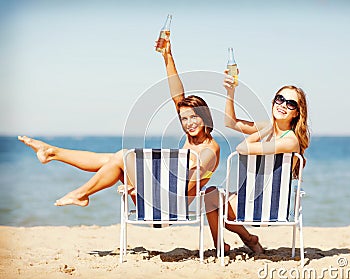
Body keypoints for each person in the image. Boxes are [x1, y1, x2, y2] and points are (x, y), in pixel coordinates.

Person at [17, 38, 220, 209]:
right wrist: (167, 56)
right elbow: (178, 97)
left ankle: (79, 192)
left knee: (123, 156)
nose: (189, 123)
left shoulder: (209, 150)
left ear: (205, 116)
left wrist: (141, 185)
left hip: (167, 208)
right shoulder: (192, 138)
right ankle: (53, 153)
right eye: (184, 119)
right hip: (155, 197)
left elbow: (186, 189)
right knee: (113, 160)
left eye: (194, 117)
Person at [204, 69, 310, 254]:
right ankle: (247, 240)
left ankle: (241, 241)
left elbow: (242, 148)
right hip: (253, 198)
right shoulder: (271, 129)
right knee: (212, 195)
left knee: (212, 199)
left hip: (265, 206)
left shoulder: (290, 140)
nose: (283, 105)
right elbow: (230, 123)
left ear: (296, 113)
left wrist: (264, 129)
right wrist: (231, 93)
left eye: (291, 103)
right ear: (274, 102)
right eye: (280, 99)